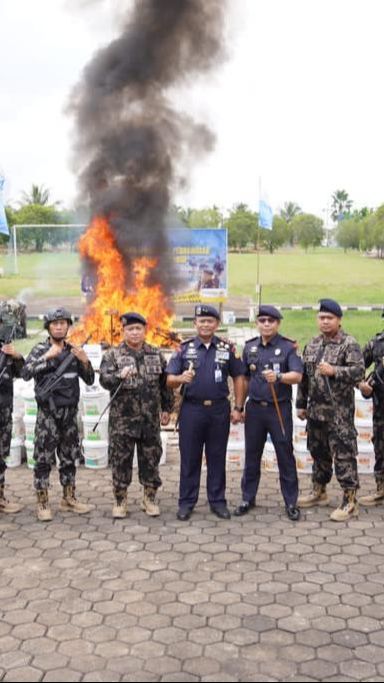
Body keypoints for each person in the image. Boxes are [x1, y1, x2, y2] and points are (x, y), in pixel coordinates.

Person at [166, 304, 244, 521]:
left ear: (217, 324)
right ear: (195, 324)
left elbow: (239, 377)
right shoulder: (183, 348)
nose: (206, 325)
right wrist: (181, 378)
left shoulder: (227, 349)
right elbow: (169, 379)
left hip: (219, 410)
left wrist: (238, 406)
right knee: (190, 458)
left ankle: (217, 502)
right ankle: (186, 503)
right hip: (192, 410)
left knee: (217, 457)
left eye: (210, 321)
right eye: (202, 321)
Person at [99, 312, 174, 519]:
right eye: (130, 329)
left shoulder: (156, 354)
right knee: (120, 461)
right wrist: (117, 376)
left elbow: (165, 384)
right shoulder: (112, 355)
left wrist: (167, 409)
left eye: (138, 329)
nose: (134, 333)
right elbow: (104, 380)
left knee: (150, 460)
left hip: (149, 420)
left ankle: (149, 498)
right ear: (123, 331)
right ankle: (120, 500)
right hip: (122, 421)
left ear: (144, 330)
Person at [23, 308, 94, 522]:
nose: (59, 327)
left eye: (63, 323)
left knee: (70, 456)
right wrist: (47, 357)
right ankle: (43, 502)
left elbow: (90, 379)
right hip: (48, 415)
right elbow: (26, 373)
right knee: (43, 458)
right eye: (55, 324)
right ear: (48, 327)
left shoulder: (74, 350)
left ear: (68, 326)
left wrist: (84, 360)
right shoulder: (40, 349)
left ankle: (68, 497)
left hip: (69, 414)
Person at [296, 299, 365, 521]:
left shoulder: (348, 344)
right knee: (319, 454)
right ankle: (319, 491)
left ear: (339, 320)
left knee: (344, 456)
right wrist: (300, 404)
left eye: (330, 318)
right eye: (322, 318)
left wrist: (334, 370)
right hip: (316, 413)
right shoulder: (313, 344)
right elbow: (305, 378)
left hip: (339, 415)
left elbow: (359, 372)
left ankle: (350, 501)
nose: (325, 322)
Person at [234, 305, 303, 521]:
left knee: (285, 455)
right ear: (257, 323)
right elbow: (244, 378)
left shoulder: (288, 347)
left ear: (278, 323)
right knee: (252, 455)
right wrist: (239, 406)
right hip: (255, 409)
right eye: (262, 320)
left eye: (270, 321)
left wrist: (280, 377)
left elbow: (297, 375)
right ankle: (247, 498)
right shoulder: (249, 348)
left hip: (278, 408)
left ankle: (291, 501)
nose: (266, 324)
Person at [358, 313, 384, 505]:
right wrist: (362, 385)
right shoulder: (375, 344)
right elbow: (356, 367)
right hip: (381, 407)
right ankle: (381, 488)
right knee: (381, 447)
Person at [0, 333, 24, 513]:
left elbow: (22, 373)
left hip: (4, 411)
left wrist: (17, 357)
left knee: (1, 454)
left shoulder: (5, 348)